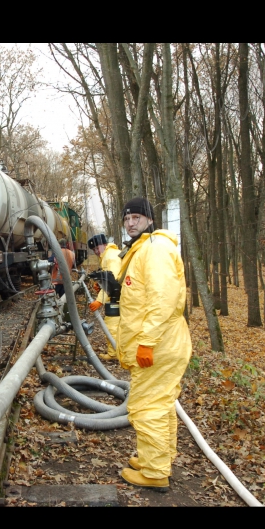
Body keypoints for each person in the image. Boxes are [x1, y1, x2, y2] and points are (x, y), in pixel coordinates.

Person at [116, 197, 192, 493]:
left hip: (158, 345)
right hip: (162, 343)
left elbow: (163, 300)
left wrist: (146, 343)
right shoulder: (144, 249)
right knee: (160, 404)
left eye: (136, 216)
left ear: (149, 219)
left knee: (147, 407)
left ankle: (155, 472)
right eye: (126, 218)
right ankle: (158, 458)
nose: (131, 222)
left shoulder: (156, 249)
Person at [87, 233, 121, 361]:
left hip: (118, 296)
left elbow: (112, 281)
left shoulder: (110, 257)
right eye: (94, 249)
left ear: (104, 245)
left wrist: (99, 301)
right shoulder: (107, 255)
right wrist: (100, 285)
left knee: (112, 325)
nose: (96, 251)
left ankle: (113, 354)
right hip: (118, 294)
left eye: (97, 248)